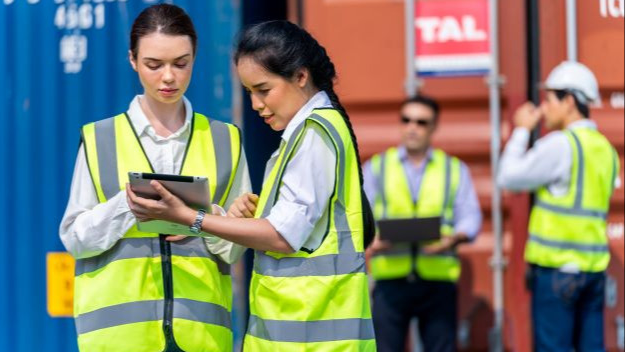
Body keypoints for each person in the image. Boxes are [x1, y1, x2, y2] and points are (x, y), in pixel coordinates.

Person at [126, 20, 377, 351]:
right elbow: (303, 228)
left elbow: (283, 236)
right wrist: (255, 215)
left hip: (310, 338)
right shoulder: (313, 131)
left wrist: (193, 219)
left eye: (264, 90)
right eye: (249, 93)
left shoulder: (314, 135)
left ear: (301, 76)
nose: (256, 104)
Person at [59, 4, 250, 352]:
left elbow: (235, 250)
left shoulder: (227, 140)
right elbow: (74, 238)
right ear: (133, 59)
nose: (168, 77)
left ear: (195, 57)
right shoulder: (100, 139)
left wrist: (205, 219)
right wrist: (129, 205)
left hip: (202, 337)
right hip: (119, 339)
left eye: (181, 63)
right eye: (154, 64)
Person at [498, 61, 620, 351]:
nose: (543, 108)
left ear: (569, 101)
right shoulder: (606, 149)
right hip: (592, 273)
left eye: (550, 99)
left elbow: (509, 177)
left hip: (558, 274)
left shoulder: (561, 145)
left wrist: (521, 131)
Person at [363, 95, 482, 352]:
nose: (412, 127)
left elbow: (470, 215)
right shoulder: (377, 168)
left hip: (437, 280)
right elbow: (358, 217)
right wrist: (371, 240)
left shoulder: (453, 169)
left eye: (421, 122)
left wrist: (454, 239)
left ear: (433, 127)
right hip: (390, 280)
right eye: (406, 120)